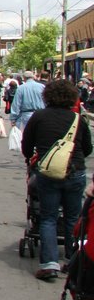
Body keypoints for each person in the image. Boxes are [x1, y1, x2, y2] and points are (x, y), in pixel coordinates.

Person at [21, 79, 93, 281]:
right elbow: (87, 148)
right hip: (75, 171)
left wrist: (32, 157)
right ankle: (72, 259)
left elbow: (27, 145)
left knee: (48, 217)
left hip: (47, 173)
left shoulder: (38, 117)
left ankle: (49, 263)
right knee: (73, 217)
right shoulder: (78, 119)